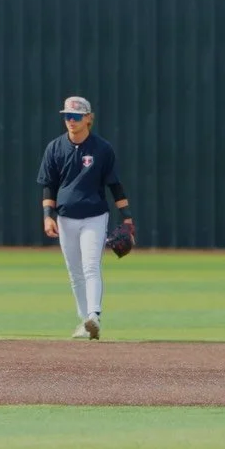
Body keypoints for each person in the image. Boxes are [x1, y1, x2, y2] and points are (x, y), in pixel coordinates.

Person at [36, 96, 135, 340]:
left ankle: (94, 316)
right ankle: (85, 321)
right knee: (74, 272)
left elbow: (115, 186)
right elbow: (48, 186)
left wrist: (127, 219)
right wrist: (48, 216)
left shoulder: (102, 149)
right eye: (67, 116)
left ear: (88, 118)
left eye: (76, 116)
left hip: (94, 216)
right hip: (65, 217)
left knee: (91, 266)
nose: (70, 120)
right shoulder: (55, 148)